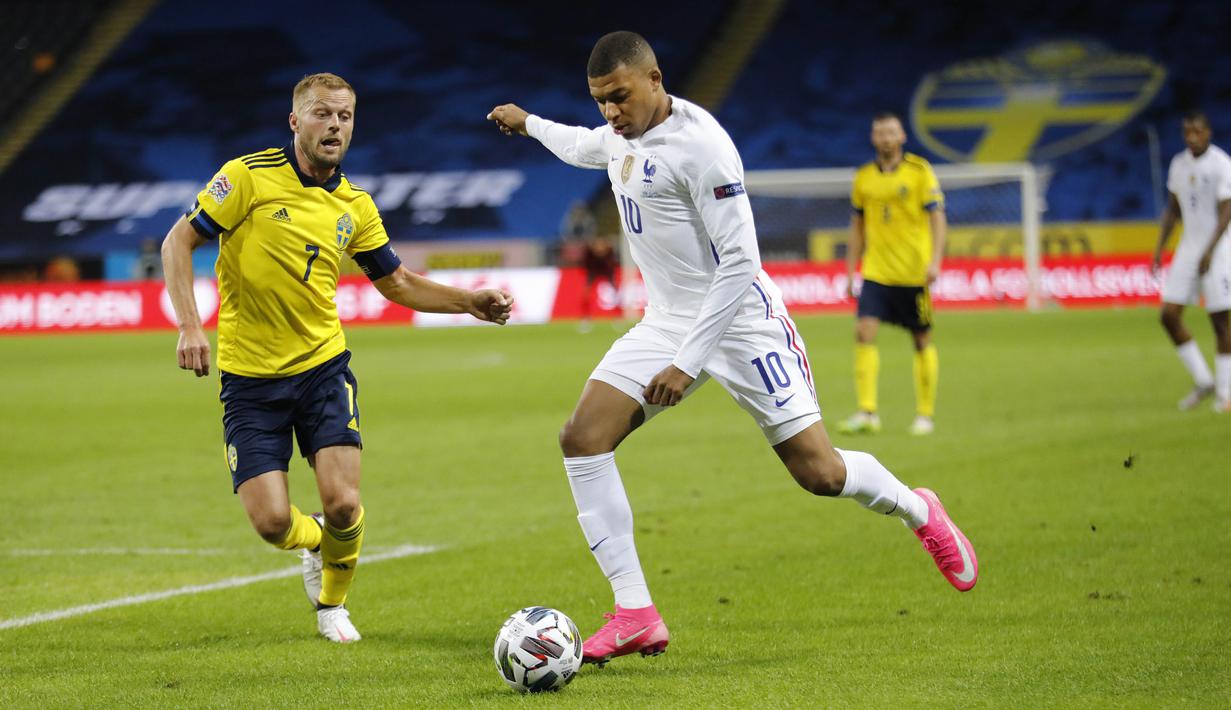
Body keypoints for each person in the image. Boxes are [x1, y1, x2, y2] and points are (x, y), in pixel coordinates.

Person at [487, 32, 977, 666]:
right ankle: (635, 611)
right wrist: (528, 123)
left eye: (620, 97)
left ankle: (919, 509)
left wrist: (688, 361)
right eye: (601, 101)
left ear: (656, 78)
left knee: (820, 473)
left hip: (743, 323)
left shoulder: (703, 148)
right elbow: (585, 145)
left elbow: (742, 261)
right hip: (666, 322)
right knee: (581, 438)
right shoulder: (620, 136)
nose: (611, 112)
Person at [162, 73, 513, 643]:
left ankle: (331, 605)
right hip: (250, 380)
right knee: (273, 523)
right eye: (323, 114)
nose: (335, 126)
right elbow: (177, 241)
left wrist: (468, 301)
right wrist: (188, 327)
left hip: (323, 369)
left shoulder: (355, 205)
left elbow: (395, 282)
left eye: (345, 116)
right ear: (296, 121)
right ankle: (315, 544)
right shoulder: (247, 177)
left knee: (345, 504)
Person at [838, 112, 947, 436]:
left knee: (921, 339)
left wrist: (936, 261)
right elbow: (857, 227)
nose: (885, 138)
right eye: (879, 132)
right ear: (874, 138)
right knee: (863, 332)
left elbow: (938, 217)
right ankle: (868, 412)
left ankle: (925, 414)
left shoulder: (919, 171)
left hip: (913, 273)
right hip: (877, 272)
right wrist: (850, 271)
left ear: (902, 137)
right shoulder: (863, 177)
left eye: (891, 132)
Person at [1152, 110, 1231, 412]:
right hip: (1188, 247)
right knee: (1169, 316)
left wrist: (1210, 251)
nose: (1192, 138)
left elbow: (1227, 211)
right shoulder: (1179, 164)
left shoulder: (1222, 164)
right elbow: (1173, 210)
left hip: (1219, 249)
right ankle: (1203, 380)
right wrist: (1159, 247)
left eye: (1197, 132)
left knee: (1220, 323)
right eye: (1187, 133)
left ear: (1208, 132)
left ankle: (1225, 394)